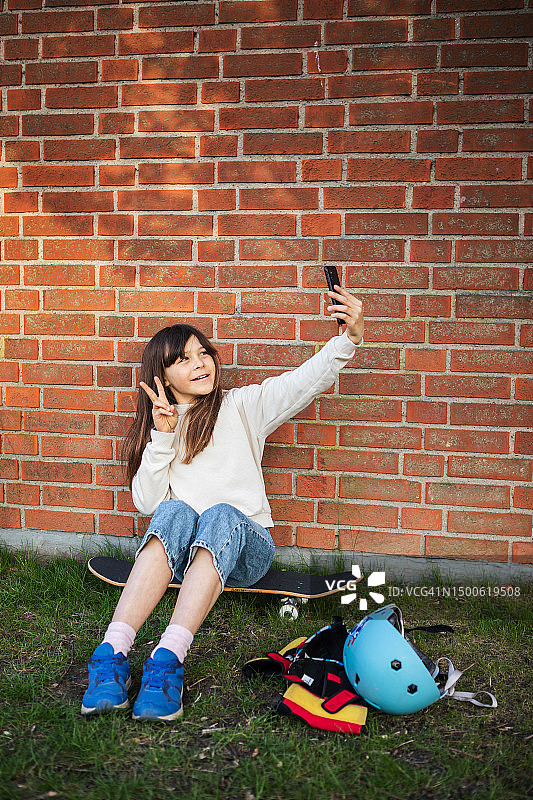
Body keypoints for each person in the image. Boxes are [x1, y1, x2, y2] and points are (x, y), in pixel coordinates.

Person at [81, 284, 364, 722]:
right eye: (184, 359)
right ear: (162, 376)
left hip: (246, 548)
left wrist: (347, 338)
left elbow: (305, 381)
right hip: (185, 553)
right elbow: (146, 503)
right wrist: (162, 437)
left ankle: (168, 659)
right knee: (173, 511)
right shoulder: (164, 427)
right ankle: (112, 652)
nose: (200, 364)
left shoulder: (242, 406)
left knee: (217, 514)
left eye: (203, 353)